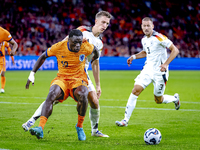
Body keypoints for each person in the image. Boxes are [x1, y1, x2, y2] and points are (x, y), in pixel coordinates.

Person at [22, 10, 112, 137]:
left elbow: (95, 63)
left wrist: (98, 85)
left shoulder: (99, 43)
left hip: (82, 73)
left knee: (94, 101)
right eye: (103, 22)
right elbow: (65, 43)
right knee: (54, 97)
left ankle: (94, 131)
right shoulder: (82, 30)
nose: (105, 26)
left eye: (107, 24)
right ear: (96, 21)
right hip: (67, 71)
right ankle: (32, 121)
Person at [25, 29, 99, 141]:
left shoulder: (86, 46)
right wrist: (32, 74)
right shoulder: (59, 46)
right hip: (62, 79)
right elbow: (43, 56)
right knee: (52, 93)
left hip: (78, 79)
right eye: (75, 42)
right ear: (68, 40)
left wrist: (94, 58)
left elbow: (96, 50)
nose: (78, 45)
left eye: (80, 42)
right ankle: (40, 128)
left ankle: (79, 126)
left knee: (84, 94)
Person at [115, 17, 181, 127]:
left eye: (148, 25)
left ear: (152, 26)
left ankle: (175, 99)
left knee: (158, 100)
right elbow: (146, 52)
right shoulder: (144, 39)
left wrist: (165, 64)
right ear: (141, 27)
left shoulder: (159, 37)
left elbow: (175, 50)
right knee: (135, 90)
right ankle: (125, 120)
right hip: (147, 70)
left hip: (160, 72)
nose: (146, 28)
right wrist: (134, 57)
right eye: (144, 26)